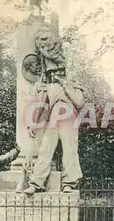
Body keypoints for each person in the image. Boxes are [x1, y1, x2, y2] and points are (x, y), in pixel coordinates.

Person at [24, 67, 84, 195]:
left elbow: (79, 103)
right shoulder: (48, 87)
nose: (54, 75)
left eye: (57, 72)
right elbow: (39, 105)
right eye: (52, 72)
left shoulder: (73, 84)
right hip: (54, 118)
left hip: (69, 116)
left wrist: (65, 85)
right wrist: (32, 123)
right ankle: (35, 184)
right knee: (45, 149)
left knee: (70, 150)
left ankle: (69, 183)